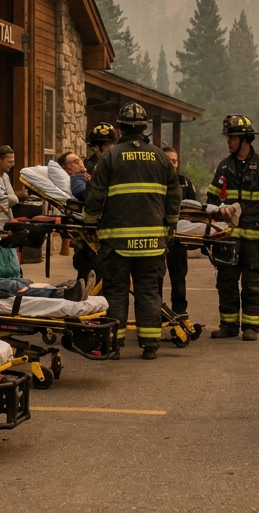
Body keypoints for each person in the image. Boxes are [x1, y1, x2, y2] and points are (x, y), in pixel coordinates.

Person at [83, 102, 181, 360]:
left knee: (115, 291)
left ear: (120, 129)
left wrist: (89, 223)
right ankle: (150, 346)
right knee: (148, 291)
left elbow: (95, 196)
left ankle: (114, 346)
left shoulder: (110, 157)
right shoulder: (161, 157)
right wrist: (170, 228)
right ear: (144, 128)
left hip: (117, 243)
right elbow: (174, 197)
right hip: (152, 243)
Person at [206, 115, 259, 341]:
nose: (228, 142)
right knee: (226, 284)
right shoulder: (223, 167)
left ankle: (251, 327)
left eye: (232, 137)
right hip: (227, 238)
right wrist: (218, 213)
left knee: (252, 286)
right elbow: (211, 199)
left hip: (254, 239)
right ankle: (228, 326)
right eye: (228, 137)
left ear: (245, 139)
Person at [73, 124, 118, 283]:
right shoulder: (90, 165)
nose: (110, 148)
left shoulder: (106, 162)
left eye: (111, 144)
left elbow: (92, 195)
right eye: (107, 145)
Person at [163, 146, 198, 316]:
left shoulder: (185, 182)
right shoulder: (153, 181)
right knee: (155, 277)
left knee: (178, 276)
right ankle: (156, 311)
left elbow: (194, 208)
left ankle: (180, 310)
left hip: (178, 236)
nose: (172, 164)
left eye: (174, 161)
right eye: (168, 160)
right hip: (157, 236)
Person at [0, 145, 21, 278]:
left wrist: (7, 198)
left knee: (10, 263)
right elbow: (7, 199)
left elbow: (13, 199)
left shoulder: (6, 177)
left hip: (7, 222)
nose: (12, 164)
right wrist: (7, 198)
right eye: (9, 161)